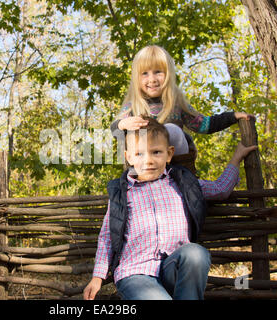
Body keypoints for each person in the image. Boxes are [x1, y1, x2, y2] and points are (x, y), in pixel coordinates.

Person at [83, 116, 257, 300]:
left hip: (174, 270)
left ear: (169, 154)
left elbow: (220, 189)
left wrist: (236, 158)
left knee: (196, 253)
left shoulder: (183, 184)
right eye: (139, 154)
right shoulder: (122, 193)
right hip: (135, 273)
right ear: (128, 157)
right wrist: (97, 277)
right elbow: (107, 237)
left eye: (156, 152)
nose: (148, 161)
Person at [110, 44, 254, 156]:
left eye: (158, 72)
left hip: (176, 166)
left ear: (168, 75)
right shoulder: (133, 106)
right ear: (136, 78)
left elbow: (204, 125)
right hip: (146, 167)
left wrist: (232, 116)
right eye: (145, 74)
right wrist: (122, 124)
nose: (152, 79)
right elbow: (115, 131)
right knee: (137, 139)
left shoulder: (175, 104)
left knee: (171, 131)